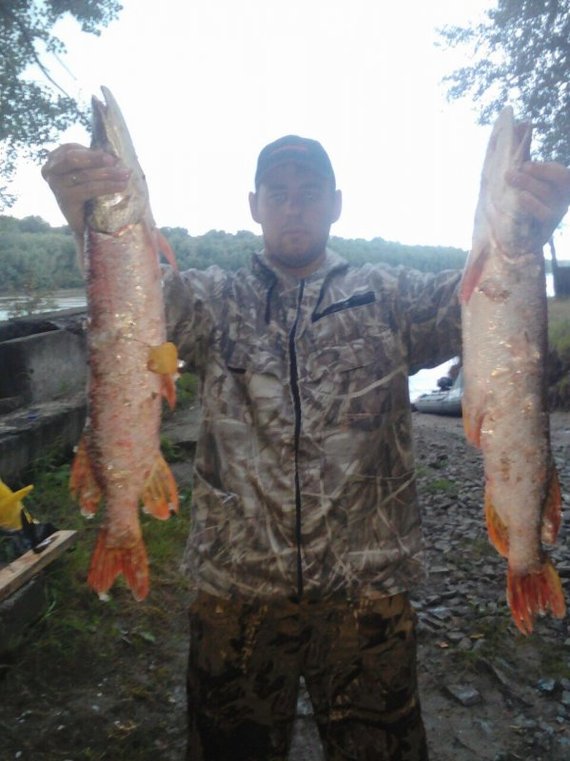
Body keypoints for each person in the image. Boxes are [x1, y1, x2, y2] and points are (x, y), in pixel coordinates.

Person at [42, 135, 570, 761]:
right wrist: (84, 219)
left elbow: (496, 309)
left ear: (336, 205)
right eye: (279, 194)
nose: (294, 208)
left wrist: (530, 228)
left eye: (310, 194)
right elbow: (126, 302)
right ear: (254, 205)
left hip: (369, 595)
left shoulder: (392, 296)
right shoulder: (212, 302)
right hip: (234, 591)